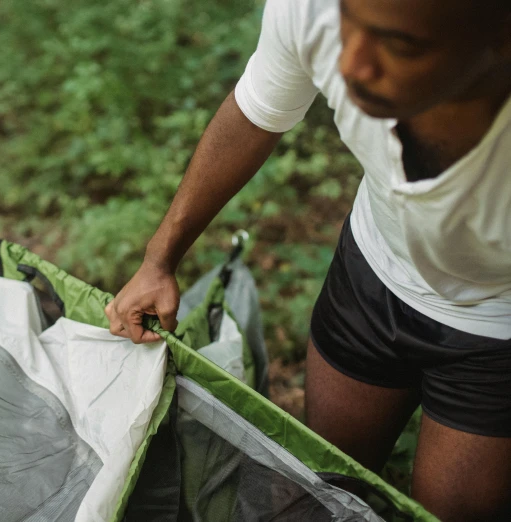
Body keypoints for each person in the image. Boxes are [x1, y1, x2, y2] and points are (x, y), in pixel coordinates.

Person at [104, 0, 511, 519]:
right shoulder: (313, 8)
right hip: (370, 273)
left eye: (401, 45)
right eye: (348, 23)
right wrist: (160, 259)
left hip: (498, 333)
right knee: (316, 486)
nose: (350, 64)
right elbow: (256, 113)